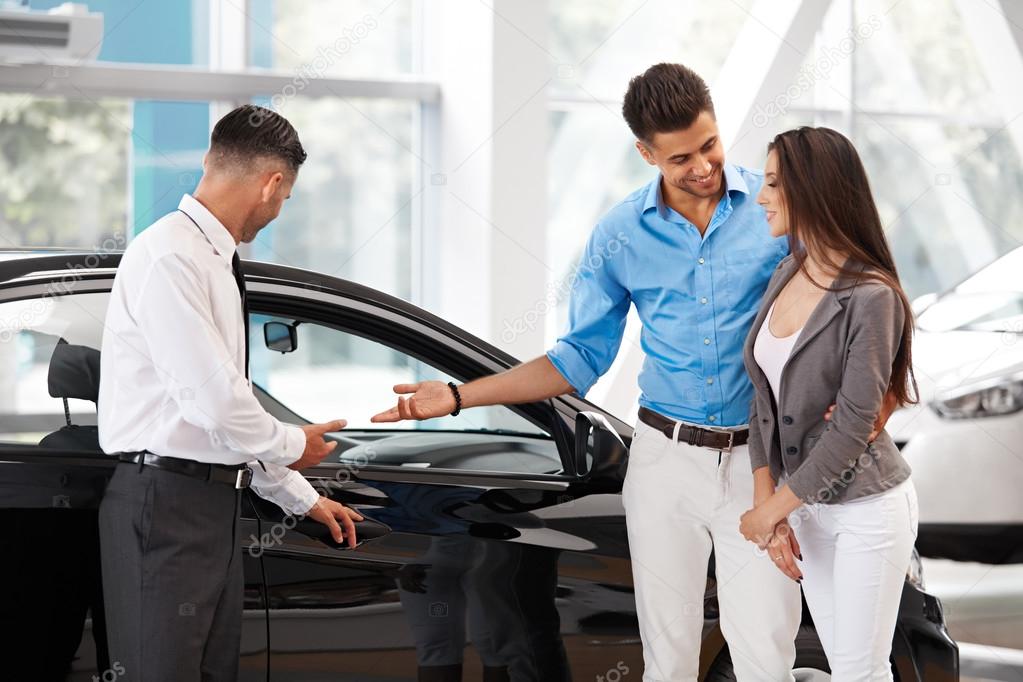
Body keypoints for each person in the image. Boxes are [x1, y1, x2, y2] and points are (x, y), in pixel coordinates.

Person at [374, 63, 822, 681]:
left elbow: (832, 314)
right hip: (666, 462)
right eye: (679, 158)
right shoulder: (618, 236)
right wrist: (456, 396)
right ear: (645, 152)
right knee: (668, 654)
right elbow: (579, 358)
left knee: (766, 650)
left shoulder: (775, 212)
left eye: (709, 145)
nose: (702, 167)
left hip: (761, 461)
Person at [97, 104, 363, 681]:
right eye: (285, 199)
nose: (277, 212)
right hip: (166, 505)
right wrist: (295, 444)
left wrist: (298, 496)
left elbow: (225, 413)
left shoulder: (214, 260)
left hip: (209, 506)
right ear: (272, 183)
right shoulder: (172, 255)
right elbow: (214, 402)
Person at [738, 126, 919, 681]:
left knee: (860, 671)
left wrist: (772, 512)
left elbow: (852, 428)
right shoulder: (786, 271)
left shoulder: (872, 295)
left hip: (869, 506)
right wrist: (771, 503)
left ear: (813, 188)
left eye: (773, 183)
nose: (762, 196)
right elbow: (762, 399)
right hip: (810, 508)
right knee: (847, 666)